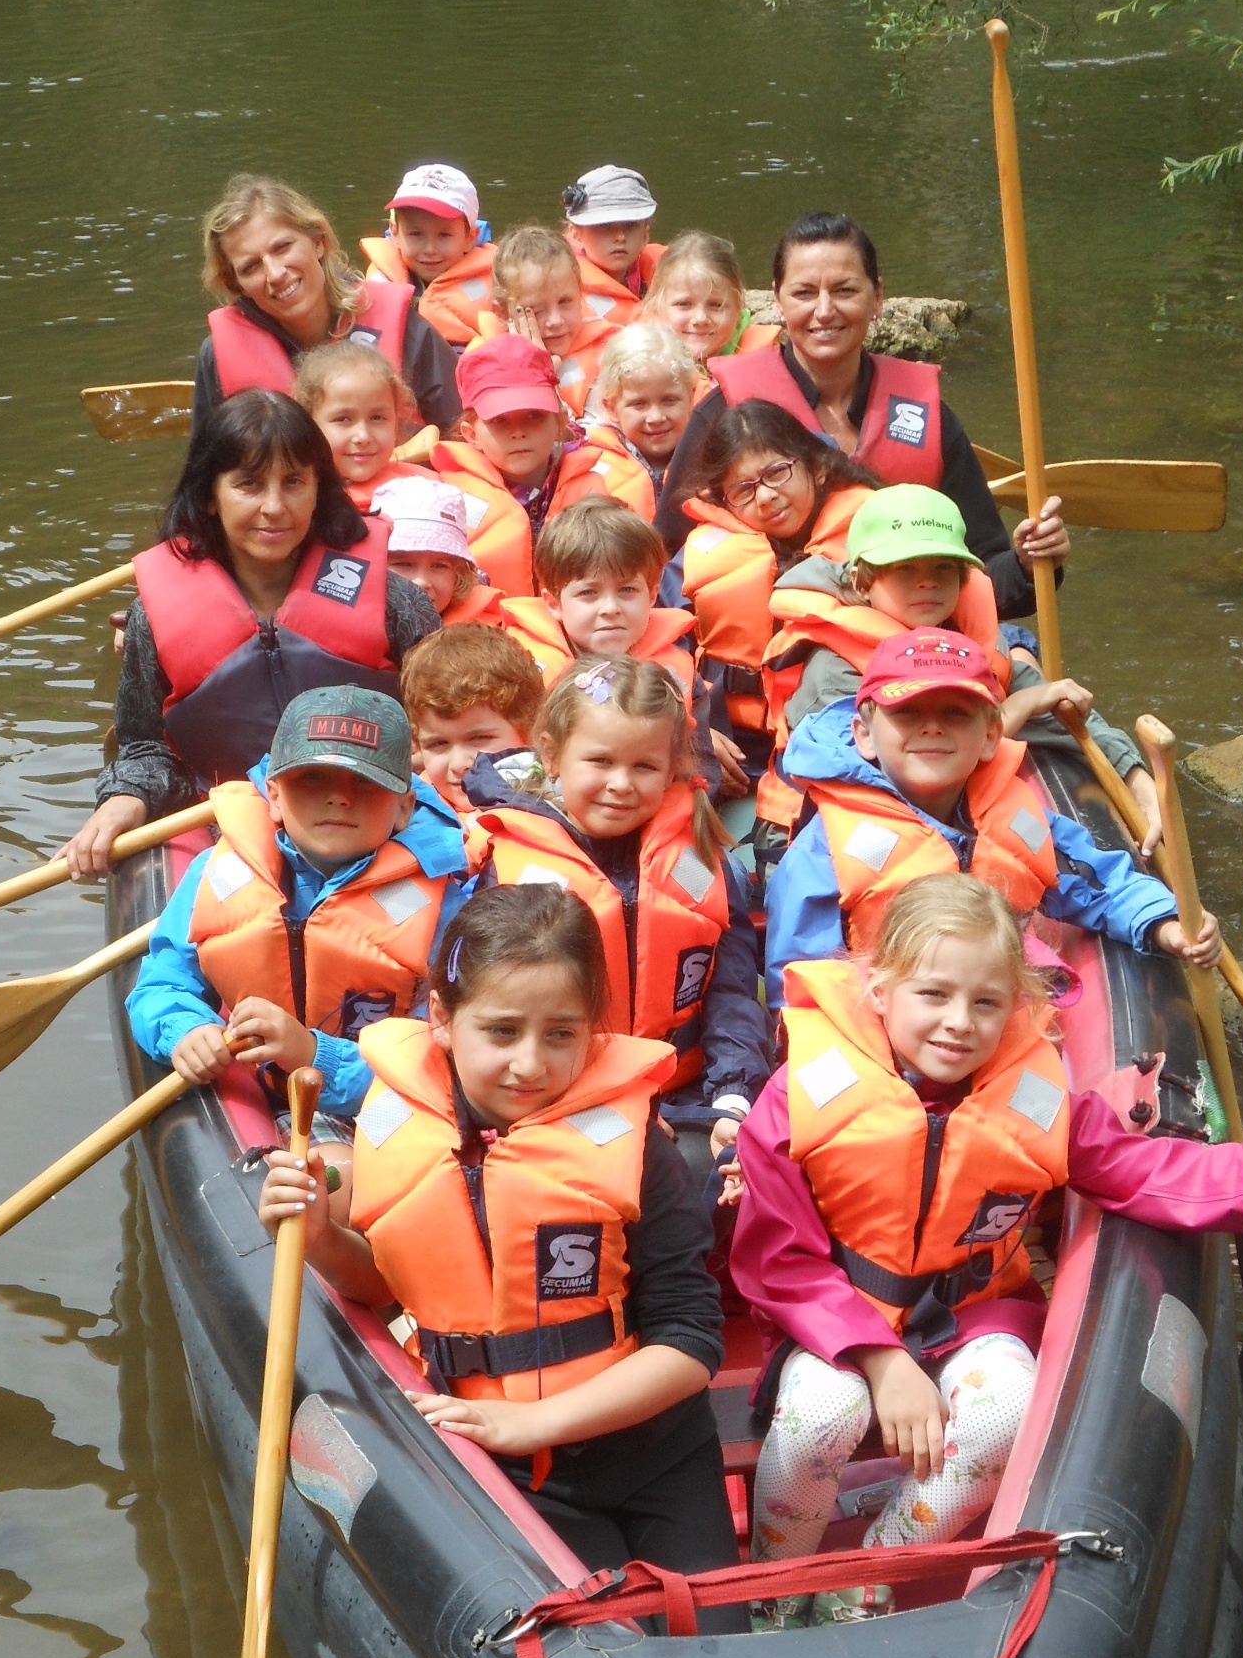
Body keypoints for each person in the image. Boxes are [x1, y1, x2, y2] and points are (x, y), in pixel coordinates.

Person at [733, 874, 1243, 1624]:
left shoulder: (1039, 1103)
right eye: (933, 995)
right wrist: (877, 1356)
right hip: (836, 1326)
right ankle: (774, 1585)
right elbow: (779, 1262)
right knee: (825, 1413)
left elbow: (1146, 1170)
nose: (959, 1023)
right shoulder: (797, 1099)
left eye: (987, 1002)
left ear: (1017, 1006)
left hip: (969, 1317)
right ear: (878, 989)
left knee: (1009, 1407)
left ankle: (874, 1566)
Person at [253, 885, 742, 1601]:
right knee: (603, 1646)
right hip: (502, 1467)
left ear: (594, 1030)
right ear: (443, 1020)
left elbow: (693, 1339)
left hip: (657, 1451)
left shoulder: (641, 1148)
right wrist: (322, 1237)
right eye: (503, 1031)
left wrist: (534, 1420)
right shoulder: (394, 1124)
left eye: (562, 1033)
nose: (531, 1064)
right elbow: (387, 1285)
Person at [64, 391, 439, 878]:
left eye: (294, 483)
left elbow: (446, 715)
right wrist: (124, 798)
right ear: (209, 496)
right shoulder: (151, 619)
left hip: (369, 816)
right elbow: (145, 747)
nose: (274, 507)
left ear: (318, 489)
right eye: (248, 485)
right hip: (232, 830)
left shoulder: (392, 602)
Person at [656, 211, 1060, 623]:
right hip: (778, 660)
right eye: (804, 293)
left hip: (912, 664)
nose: (825, 311)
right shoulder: (725, 416)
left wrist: (1029, 563)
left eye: (845, 290)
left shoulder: (928, 419)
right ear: (777, 300)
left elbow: (987, 580)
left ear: (877, 296)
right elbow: (666, 561)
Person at [763, 629, 1220, 986]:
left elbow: (1100, 885)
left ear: (990, 736)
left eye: (956, 713)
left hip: (986, 1017)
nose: (932, 728)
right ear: (864, 734)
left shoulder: (1013, 814)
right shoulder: (823, 852)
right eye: (907, 713)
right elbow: (803, 978)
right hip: (881, 1041)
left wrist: (1166, 925)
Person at [463, 658, 770, 1151]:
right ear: (553, 754)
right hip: (550, 1105)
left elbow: (729, 992)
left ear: (673, 768)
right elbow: (476, 1011)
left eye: (644, 766)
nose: (622, 784)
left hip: (681, 1095)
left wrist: (733, 1099)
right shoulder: (499, 863)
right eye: (601, 761)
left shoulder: (703, 862)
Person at [125, 687, 471, 1119]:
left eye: (365, 782)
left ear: (403, 807)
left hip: (378, 1109)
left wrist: (312, 1053)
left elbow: (443, 1058)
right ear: (273, 795)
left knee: (330, 1168)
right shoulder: (215, 872)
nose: (339, 797)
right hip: (259, 1091)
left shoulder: (448, 907)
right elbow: (161, 983)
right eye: (312, 778)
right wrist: (184, 1029)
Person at [661, 400, 877, 843]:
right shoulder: (702, 557)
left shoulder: (874, 536)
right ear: (724, 501)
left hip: (847, 737)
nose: (766, 496)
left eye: (777, 472)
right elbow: (653, 643)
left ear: (816, 468)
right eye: (743, 489)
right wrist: (689, 731)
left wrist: (1023, 568)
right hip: (737, 747)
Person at [765, 483, 1085, 743]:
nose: (927, 583)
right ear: (861, 582)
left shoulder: (962, 629)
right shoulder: (835, 671)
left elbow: (1051, 698)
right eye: (904, 568)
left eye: (943, 567)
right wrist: (1013, 710)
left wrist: (1134, 777)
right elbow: (909, 774)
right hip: (864, 817)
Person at [192, 173, 460, 442]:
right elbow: (205, 472)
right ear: (237, 285)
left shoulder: (407, 329)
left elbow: (466, 437)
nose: (275, 273)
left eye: (283, 247)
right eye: (251, 267)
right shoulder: (216, 356)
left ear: (317, 242)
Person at [433, 335, 647, 596]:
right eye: (499, 420)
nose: (519, 432)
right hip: (487, 633)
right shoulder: (443, 501)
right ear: (471, 434)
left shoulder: (608, 486)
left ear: (559, 422)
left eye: (534, 415)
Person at [498, 498, 695, 693]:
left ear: (652, 596)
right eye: (588, 593)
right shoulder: (520, 671)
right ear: (554, 604)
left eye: (627, 590)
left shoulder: (677, 666)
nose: (610, 609)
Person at [401, 621, 545, 812]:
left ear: (530, 730)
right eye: (438, 744)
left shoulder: (574, 810)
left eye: (479, 738)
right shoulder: (402, 819)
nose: (459, 764)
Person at [477, 224, 615, 420]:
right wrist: (534, 374)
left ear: (580, 293)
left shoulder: (610, 354)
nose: (555, 321)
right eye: (535, 311)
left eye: (565, 302)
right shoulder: (485, 367)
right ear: (500, 312)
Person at [358, 161, 495, 350]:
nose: (430, 249)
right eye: (415, 234)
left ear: (470, 238)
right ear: (395, 233)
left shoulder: (502, 287)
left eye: (444, 235)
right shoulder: (378, 284)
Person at [293, 342, 428, 510]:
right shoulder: (296, 501)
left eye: (377, 418)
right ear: (307, 423)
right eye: (343, 419)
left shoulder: (427, 490)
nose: (363, 436)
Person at [585, 321, 701, 515]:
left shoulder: (711, 460)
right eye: (639, 404)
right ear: (611, 407)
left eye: (669, 400)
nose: (655, 417)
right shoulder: (589, 464)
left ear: (691, 396)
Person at [642, 230, 781, 373]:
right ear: (656, 306)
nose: (700, 319)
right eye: (684, 304)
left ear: (737, 307)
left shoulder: (763, 365)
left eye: (716, 305)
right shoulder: (639, 367)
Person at [377, 473, 503, 628]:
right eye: (404, 564)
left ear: (458, 576)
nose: (422, 582)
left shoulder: (481, 638)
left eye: (439, 566)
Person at [561, 163, 665, 321]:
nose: (620, 237)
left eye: (630, 225)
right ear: (576, 235)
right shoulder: (556, 288)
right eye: (604, 226)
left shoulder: (668, 271)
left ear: (645, 235)